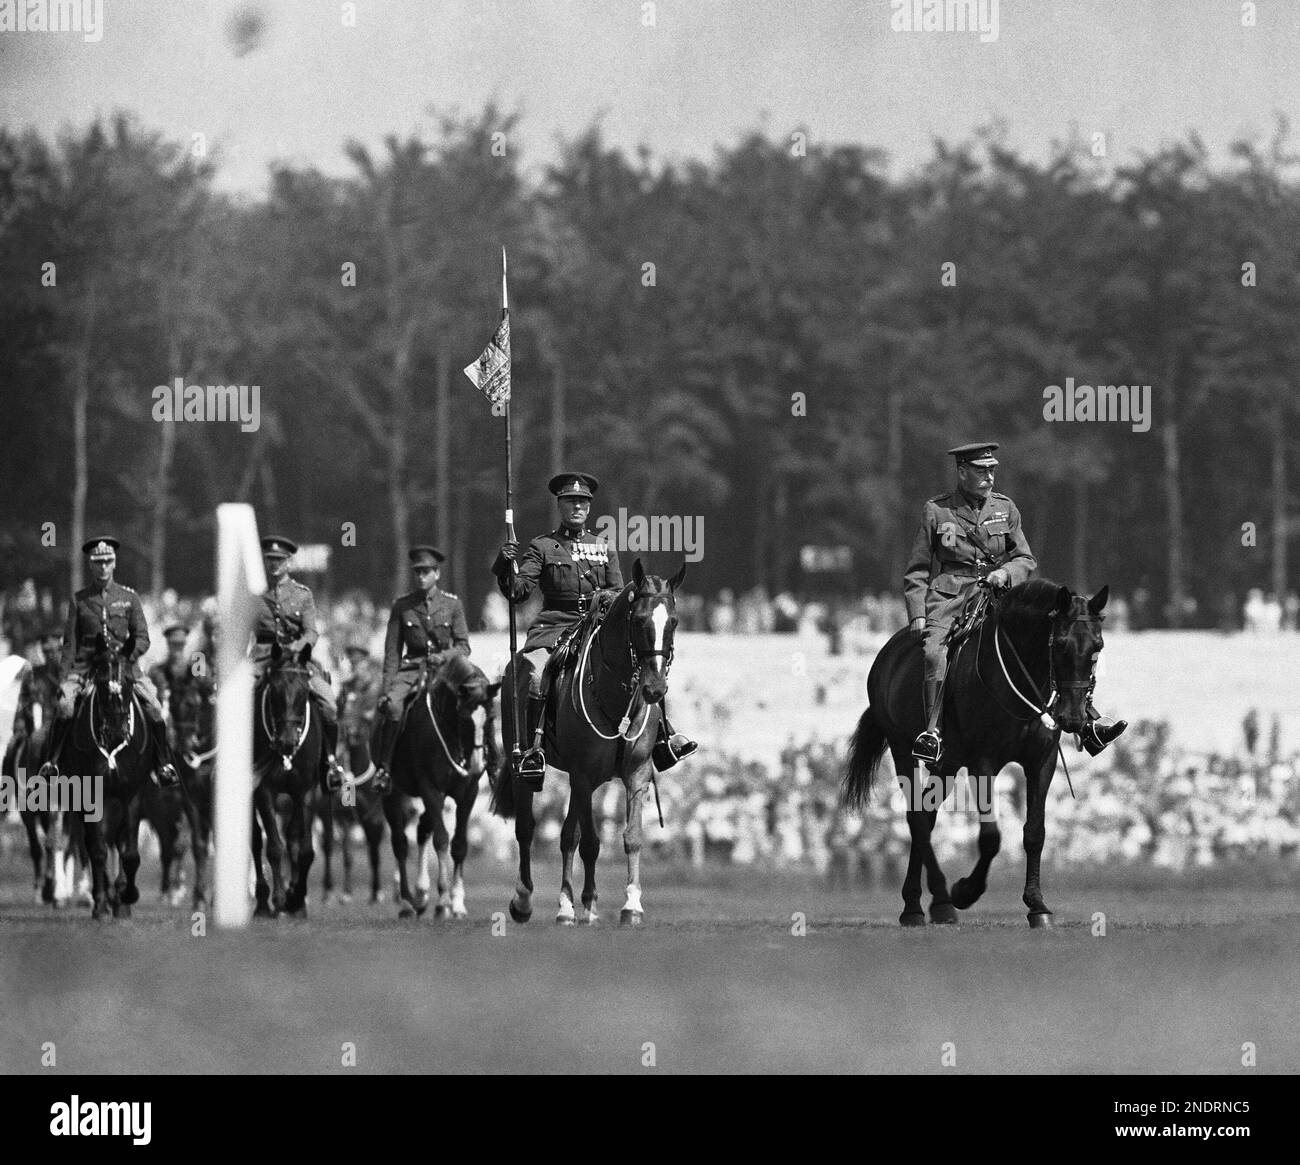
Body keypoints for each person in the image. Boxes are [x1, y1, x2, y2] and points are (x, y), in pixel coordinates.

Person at [902, 443, 1126, 764]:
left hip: (998, 593)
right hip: (950, 596)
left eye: (992, 470)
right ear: (962, 471)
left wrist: (1005, 572)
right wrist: (918, 615)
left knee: (1053, 644)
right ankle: (932, 733)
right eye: (981, 471)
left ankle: (1087, 723)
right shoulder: (937, 511)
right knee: (933, 651)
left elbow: (1025, 558)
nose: (989, 477)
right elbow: (918, 568)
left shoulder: (1005, 509)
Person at [492, 472, 697, 781]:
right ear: (560, 505)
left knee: (645, 666)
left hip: (595, 627)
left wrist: (607, 603)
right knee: (536, 676)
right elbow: (518, 592)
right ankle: (535, 748)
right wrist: (503, 566)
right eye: (571, 501)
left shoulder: (603, 547)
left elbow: (617, 593)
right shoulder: (543, 546)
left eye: (583, 503)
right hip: (554, 628)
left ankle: (663, 738)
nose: (578, 507)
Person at [38, 537, 179, 787]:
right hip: (86, 668)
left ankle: (163, 764)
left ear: (114, 564)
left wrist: (128, 657)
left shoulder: (129, 598)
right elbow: (70, 644)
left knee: (155, 707)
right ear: (91, 566)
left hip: (125, 667)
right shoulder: (79, 600)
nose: (103, 567)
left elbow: (143, 638)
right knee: (66, 706)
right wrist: (64, 679)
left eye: (107, 562)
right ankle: (54, 761)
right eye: (98, 563)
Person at [250, 534, 345, 792]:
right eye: (270, 560)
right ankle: (237, 762)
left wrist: (297, 647)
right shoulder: (256, 596)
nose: (274, 565)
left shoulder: (303, 595)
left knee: (328, 704)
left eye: (279, 560)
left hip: (297, 659)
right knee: (237, 702)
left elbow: (312, 632)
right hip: (263, 657)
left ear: (289, 563)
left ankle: (330, 762)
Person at [371, 546, 470, 792]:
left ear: (437, 574)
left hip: (446, 671)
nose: (421, 577)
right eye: (417, 572)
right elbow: (392, 653)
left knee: (475, 700)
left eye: (426, 572)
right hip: (412, 668)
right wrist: (387, 689)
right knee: (393, 707)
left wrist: (443, 656)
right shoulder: (402, 606)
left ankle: (484, 760)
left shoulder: (452, 604)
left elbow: (463, 646)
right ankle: (384, 768)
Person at [4, 626, 63, 773]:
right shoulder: (34, 675)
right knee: (15, 745)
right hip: (41, 725)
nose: (50, 655)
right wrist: (20, 726)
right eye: (46, 651)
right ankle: (27, 786)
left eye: (54, 650)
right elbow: (23, 702)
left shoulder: (70, 674)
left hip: (65, 724)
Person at [148, 624, 192, 719]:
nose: (177, 649)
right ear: (168, 644)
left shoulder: (193, 671)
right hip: (165, 728)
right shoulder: (156, 672)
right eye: (174, 645)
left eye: (180, 645)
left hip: (191, 729)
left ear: (184, 645)